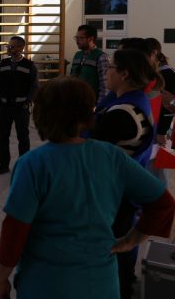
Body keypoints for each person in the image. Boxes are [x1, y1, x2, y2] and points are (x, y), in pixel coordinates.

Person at [0, 77, 175, 299]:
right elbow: (163, 203)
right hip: (102, 284)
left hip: (47, 284)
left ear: (42, 114)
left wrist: (1, 280)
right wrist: (131, 241)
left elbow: (14, 231)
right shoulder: (111, 156)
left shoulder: (32, 164)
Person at [91, 48, 161, 299]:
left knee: (114, 254)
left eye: (111, 68)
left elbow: (85, 145)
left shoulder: (123, 113)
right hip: (124, 190)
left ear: (124, 74)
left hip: (115, 195)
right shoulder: (132, 100)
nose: (106, 73)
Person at [0, 36, 39, 174]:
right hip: (4, 106)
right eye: (8, 46)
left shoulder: (29, 66)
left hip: (21, 107)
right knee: (2, 137)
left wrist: (28, 101)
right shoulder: (3, 63)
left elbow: (34, 87)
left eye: (11, 47)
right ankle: (3, 165)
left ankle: (23, 166)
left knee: (23, 137)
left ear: (21, 48)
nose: (9, 49)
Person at [69, 24, 110, 106]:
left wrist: (99, 107)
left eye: (81, 38)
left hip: (91, 104)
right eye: (76, 38)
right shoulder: (77, 55)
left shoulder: (101, 57)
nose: (77, 41)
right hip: (75, 102)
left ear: (91, 39)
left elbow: (105, 87)